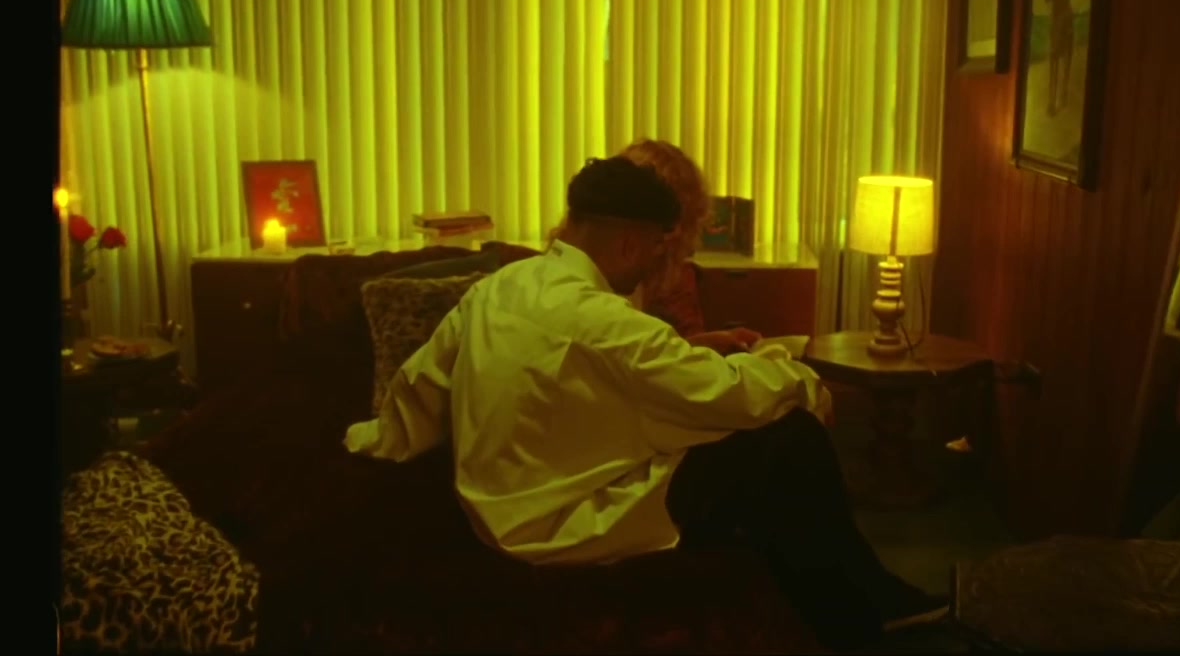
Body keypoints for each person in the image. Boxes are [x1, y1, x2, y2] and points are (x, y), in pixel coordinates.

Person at [344, 157, 946, 651]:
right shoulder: (602, 322)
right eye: (662, 248)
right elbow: (727, 396)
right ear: (632, 242)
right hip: (563, 522)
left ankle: (851, 599)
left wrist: (374, 439)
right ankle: (859, 616)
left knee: (764, 463)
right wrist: (801, 380)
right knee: (787, 437)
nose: (664, 262)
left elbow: (421, 382)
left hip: (496, 503)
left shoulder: (499, 288)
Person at [546, 138, 761, 356]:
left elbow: (645, 355)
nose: (675, 234)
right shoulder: (594, 299)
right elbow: (634, 359)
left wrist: (702, 344)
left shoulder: (551, 271)